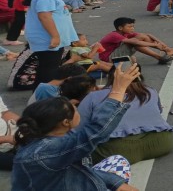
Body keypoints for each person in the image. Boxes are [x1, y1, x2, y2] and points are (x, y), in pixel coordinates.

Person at [12, 63, 142, 191]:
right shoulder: (46, 151)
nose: (75, 105)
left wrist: (116, 183)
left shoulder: (52, 138)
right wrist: (118, 90)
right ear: (65, 122)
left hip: (67, 183)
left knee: (118, 160)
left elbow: (82, 169)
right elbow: (97, 131)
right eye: (73, 108)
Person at [78, 65, 173, 164]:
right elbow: (159, 111)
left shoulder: (93, 96)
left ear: (110, 77)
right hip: (161, 142)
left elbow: (79, 126)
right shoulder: (150, 91)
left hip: (117, 150)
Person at [23, 0, 79, 84]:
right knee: (49, 70)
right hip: (47, 38)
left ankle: (42, 92)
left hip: (50, 37)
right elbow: (44, 17)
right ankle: (45, 93)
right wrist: (55, 36)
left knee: (48, 68)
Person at [99, 17, 173, 65]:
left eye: (133, 26)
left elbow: (147, 35)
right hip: (109, 58)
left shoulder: (124, 33)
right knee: (134, 42)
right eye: (130, 27)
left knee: (141, 37)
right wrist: (155, 45)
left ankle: (166, 51)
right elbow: (136, 42)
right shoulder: (114, 35)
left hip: (117, 54)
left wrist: (163, 45)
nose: (132, 28)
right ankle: (160, 56)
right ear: (120, 28)